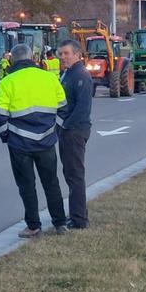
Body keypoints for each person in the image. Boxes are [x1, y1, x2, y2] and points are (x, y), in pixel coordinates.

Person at [0, 43, 69, 238]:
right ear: (33, 58)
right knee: (51, 182)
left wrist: (6, 137)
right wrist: (55, 132)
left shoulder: (7, 82)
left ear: (12, 60)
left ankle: (33, 226)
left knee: (27, 185)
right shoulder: (49, 78)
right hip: (46, 141)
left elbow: (0, 116)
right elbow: (63, 108)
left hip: (19, 143)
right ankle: (60, 223)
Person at [57, 39, 93, 229]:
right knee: (70, 174)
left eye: (66, 53)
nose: (62, 57)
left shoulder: (81, 75)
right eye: (60, 53)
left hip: (74, 131)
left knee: (75, 175)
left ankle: (79, 220)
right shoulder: (68, 74)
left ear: (77, 55)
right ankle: (76, 214)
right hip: (67, 131)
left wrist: (65, 126)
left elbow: (82, 108)